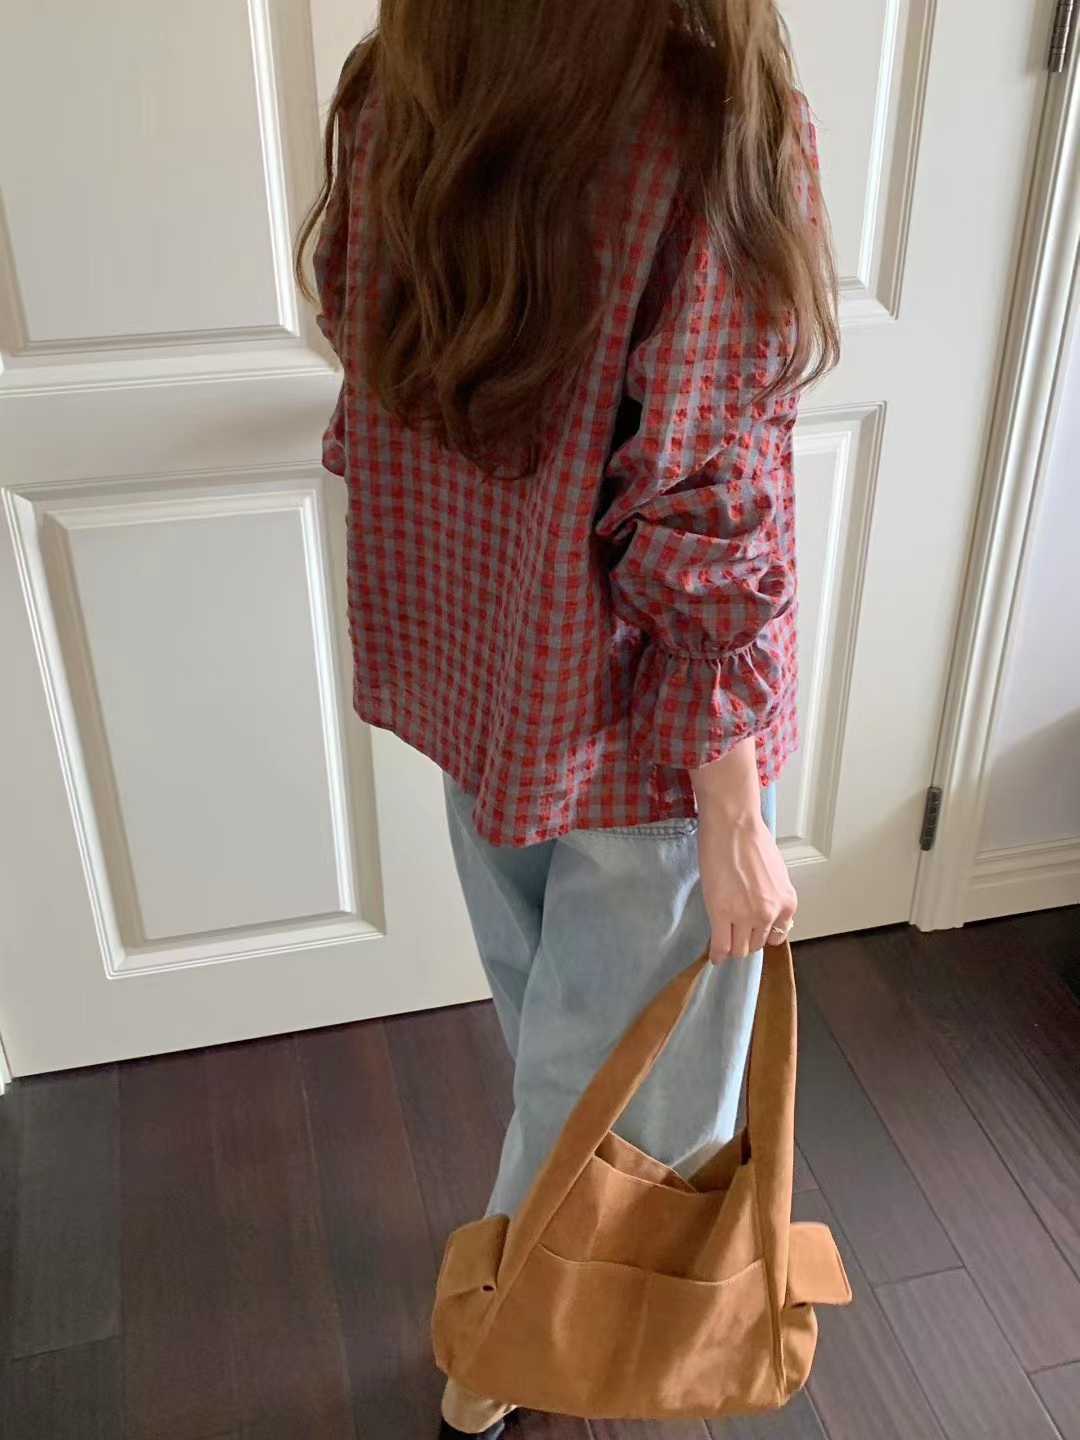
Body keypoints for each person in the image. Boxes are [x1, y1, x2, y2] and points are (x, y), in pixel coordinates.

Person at [296, 2, 838, 1433]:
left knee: (556, 1037)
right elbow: (701, 494)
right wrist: (735, 813)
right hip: (647, 737)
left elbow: (366, 338)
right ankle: (490, 1363)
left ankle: (509, 1311)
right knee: (628, 1102)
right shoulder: (706, 117)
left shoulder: (413, 73)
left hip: (488, 683)